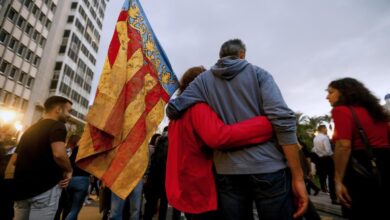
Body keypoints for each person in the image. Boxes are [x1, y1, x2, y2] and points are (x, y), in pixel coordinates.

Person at [166, 39, 308, 219]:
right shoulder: (259, 74)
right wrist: (298, 176)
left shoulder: (203, 81)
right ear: (242, 55)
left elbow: (173, 108)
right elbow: (283, 120)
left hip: (227, 171)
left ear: (220, 56)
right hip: (267, 166)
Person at [166, 66, 274, 220]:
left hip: (184, 186)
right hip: (200, 188)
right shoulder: (197, 107)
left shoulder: (176, 115)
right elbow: (219, 137)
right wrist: (265, 124)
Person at [327, 77, 390, 219]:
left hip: (359, 169)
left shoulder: (341, 111)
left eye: (331, 92)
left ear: (344, 92)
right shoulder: (377, 111)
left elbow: (344, 146)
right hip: (384, 165)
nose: (327, 97)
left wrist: (338, 179)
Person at [13, 96, 73, 220]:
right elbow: (59, 154)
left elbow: (14, 160)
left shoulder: (29, 130)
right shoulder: (58, 126)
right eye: (68, 111)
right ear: (58, 109)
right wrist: (69, 170)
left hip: (21, 189)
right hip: (45, 189)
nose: (69, 115)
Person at [312, 125, 337, 204]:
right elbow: (328, 151)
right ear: (322, 129)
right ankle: (334, 197)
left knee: (324, 176)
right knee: (332, 178)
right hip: (328, 159)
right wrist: (334, 158)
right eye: (326, 128)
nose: (326, 130)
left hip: (320, 159)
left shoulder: (315, 138)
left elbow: (315, 150)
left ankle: (329, 193)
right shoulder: (325, 137)